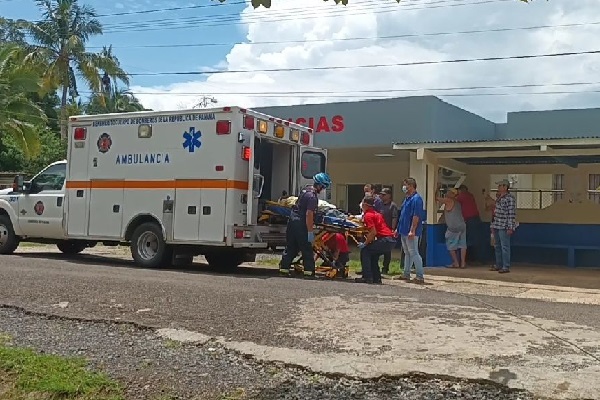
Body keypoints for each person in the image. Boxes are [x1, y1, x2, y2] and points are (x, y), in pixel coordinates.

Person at [279, 172, 332, 279]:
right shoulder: (312, 197)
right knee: (306, 248)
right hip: (301, 224)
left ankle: (283, 270)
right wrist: (310, 232)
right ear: (320, 185)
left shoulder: (305, 191)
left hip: (292, 221)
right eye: (324, 186)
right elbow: (309, 214)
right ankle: (309, 272)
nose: (323, 189)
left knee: (291, 247)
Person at [355, 195, 396, 284]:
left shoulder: (368, 215)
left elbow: (373, 232)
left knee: (365, 251)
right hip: (390, 240)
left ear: (365, 205)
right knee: (373, 255)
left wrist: (365, 243)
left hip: (385, 240)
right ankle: (376, 278)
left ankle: (367, 277)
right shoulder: (377, 214)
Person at [398, 177, 425, 284]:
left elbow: (416, 216)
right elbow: (403, 215)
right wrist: (398, 229)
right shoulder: (407, 198)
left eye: (406, 185)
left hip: (411, 231)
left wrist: (412, 230)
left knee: (414, 252)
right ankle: (406, 273)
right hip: (403, 230)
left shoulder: (417, 199)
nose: (404, 187)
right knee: (407, 253)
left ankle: (419, 275)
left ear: (411, 185)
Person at [491, 179, 516, 274]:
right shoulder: (499, 198)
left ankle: (505, 266)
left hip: (504, 225)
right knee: (497, 246)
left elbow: (511, 213)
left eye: (500, 186)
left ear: (505, 187)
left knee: (504, 246)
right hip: (497, 224)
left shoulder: (510, 198)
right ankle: (498, 264)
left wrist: (510, 227)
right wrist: (493, 226)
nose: (498, 188)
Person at [437, 188, 467, 268]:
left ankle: (456, 262)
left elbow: (436, 198)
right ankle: (463, 263)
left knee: (450, 245)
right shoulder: (458, 202)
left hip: (453, 227)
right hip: (462, 225)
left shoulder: (448, 200)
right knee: (462, 244)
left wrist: (436, 188)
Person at [456, 184, 484, 264]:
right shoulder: (470, 195)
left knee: (471, 240)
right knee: (477, 239)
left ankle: (475, 259)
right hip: (476, 219)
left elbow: (452, 200)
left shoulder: (462, 196)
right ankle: (478, 259)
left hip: (470, 220)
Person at [379, 187, 398, 274]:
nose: (381, 196)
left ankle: (385, 268)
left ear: (389, 195)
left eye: (384, 195)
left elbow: (394, 217)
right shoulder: (380, 204)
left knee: (387, 251)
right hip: (380, 230)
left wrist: (392, 229)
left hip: (388, 230)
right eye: (381, 195)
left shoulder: (392, 205)